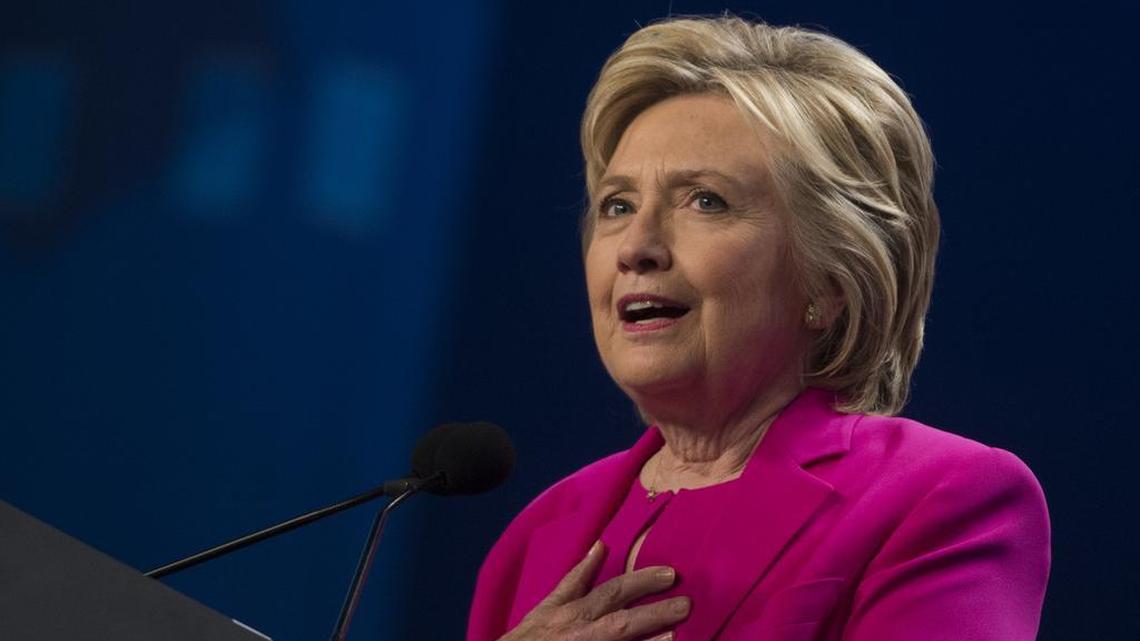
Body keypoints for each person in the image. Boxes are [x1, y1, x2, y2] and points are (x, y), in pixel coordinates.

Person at [467, 15, 1050, 641]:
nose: (636, 246)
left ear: (829, 282)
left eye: (706, 201)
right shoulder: (538, 534)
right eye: (618, 205)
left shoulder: (941, 497)